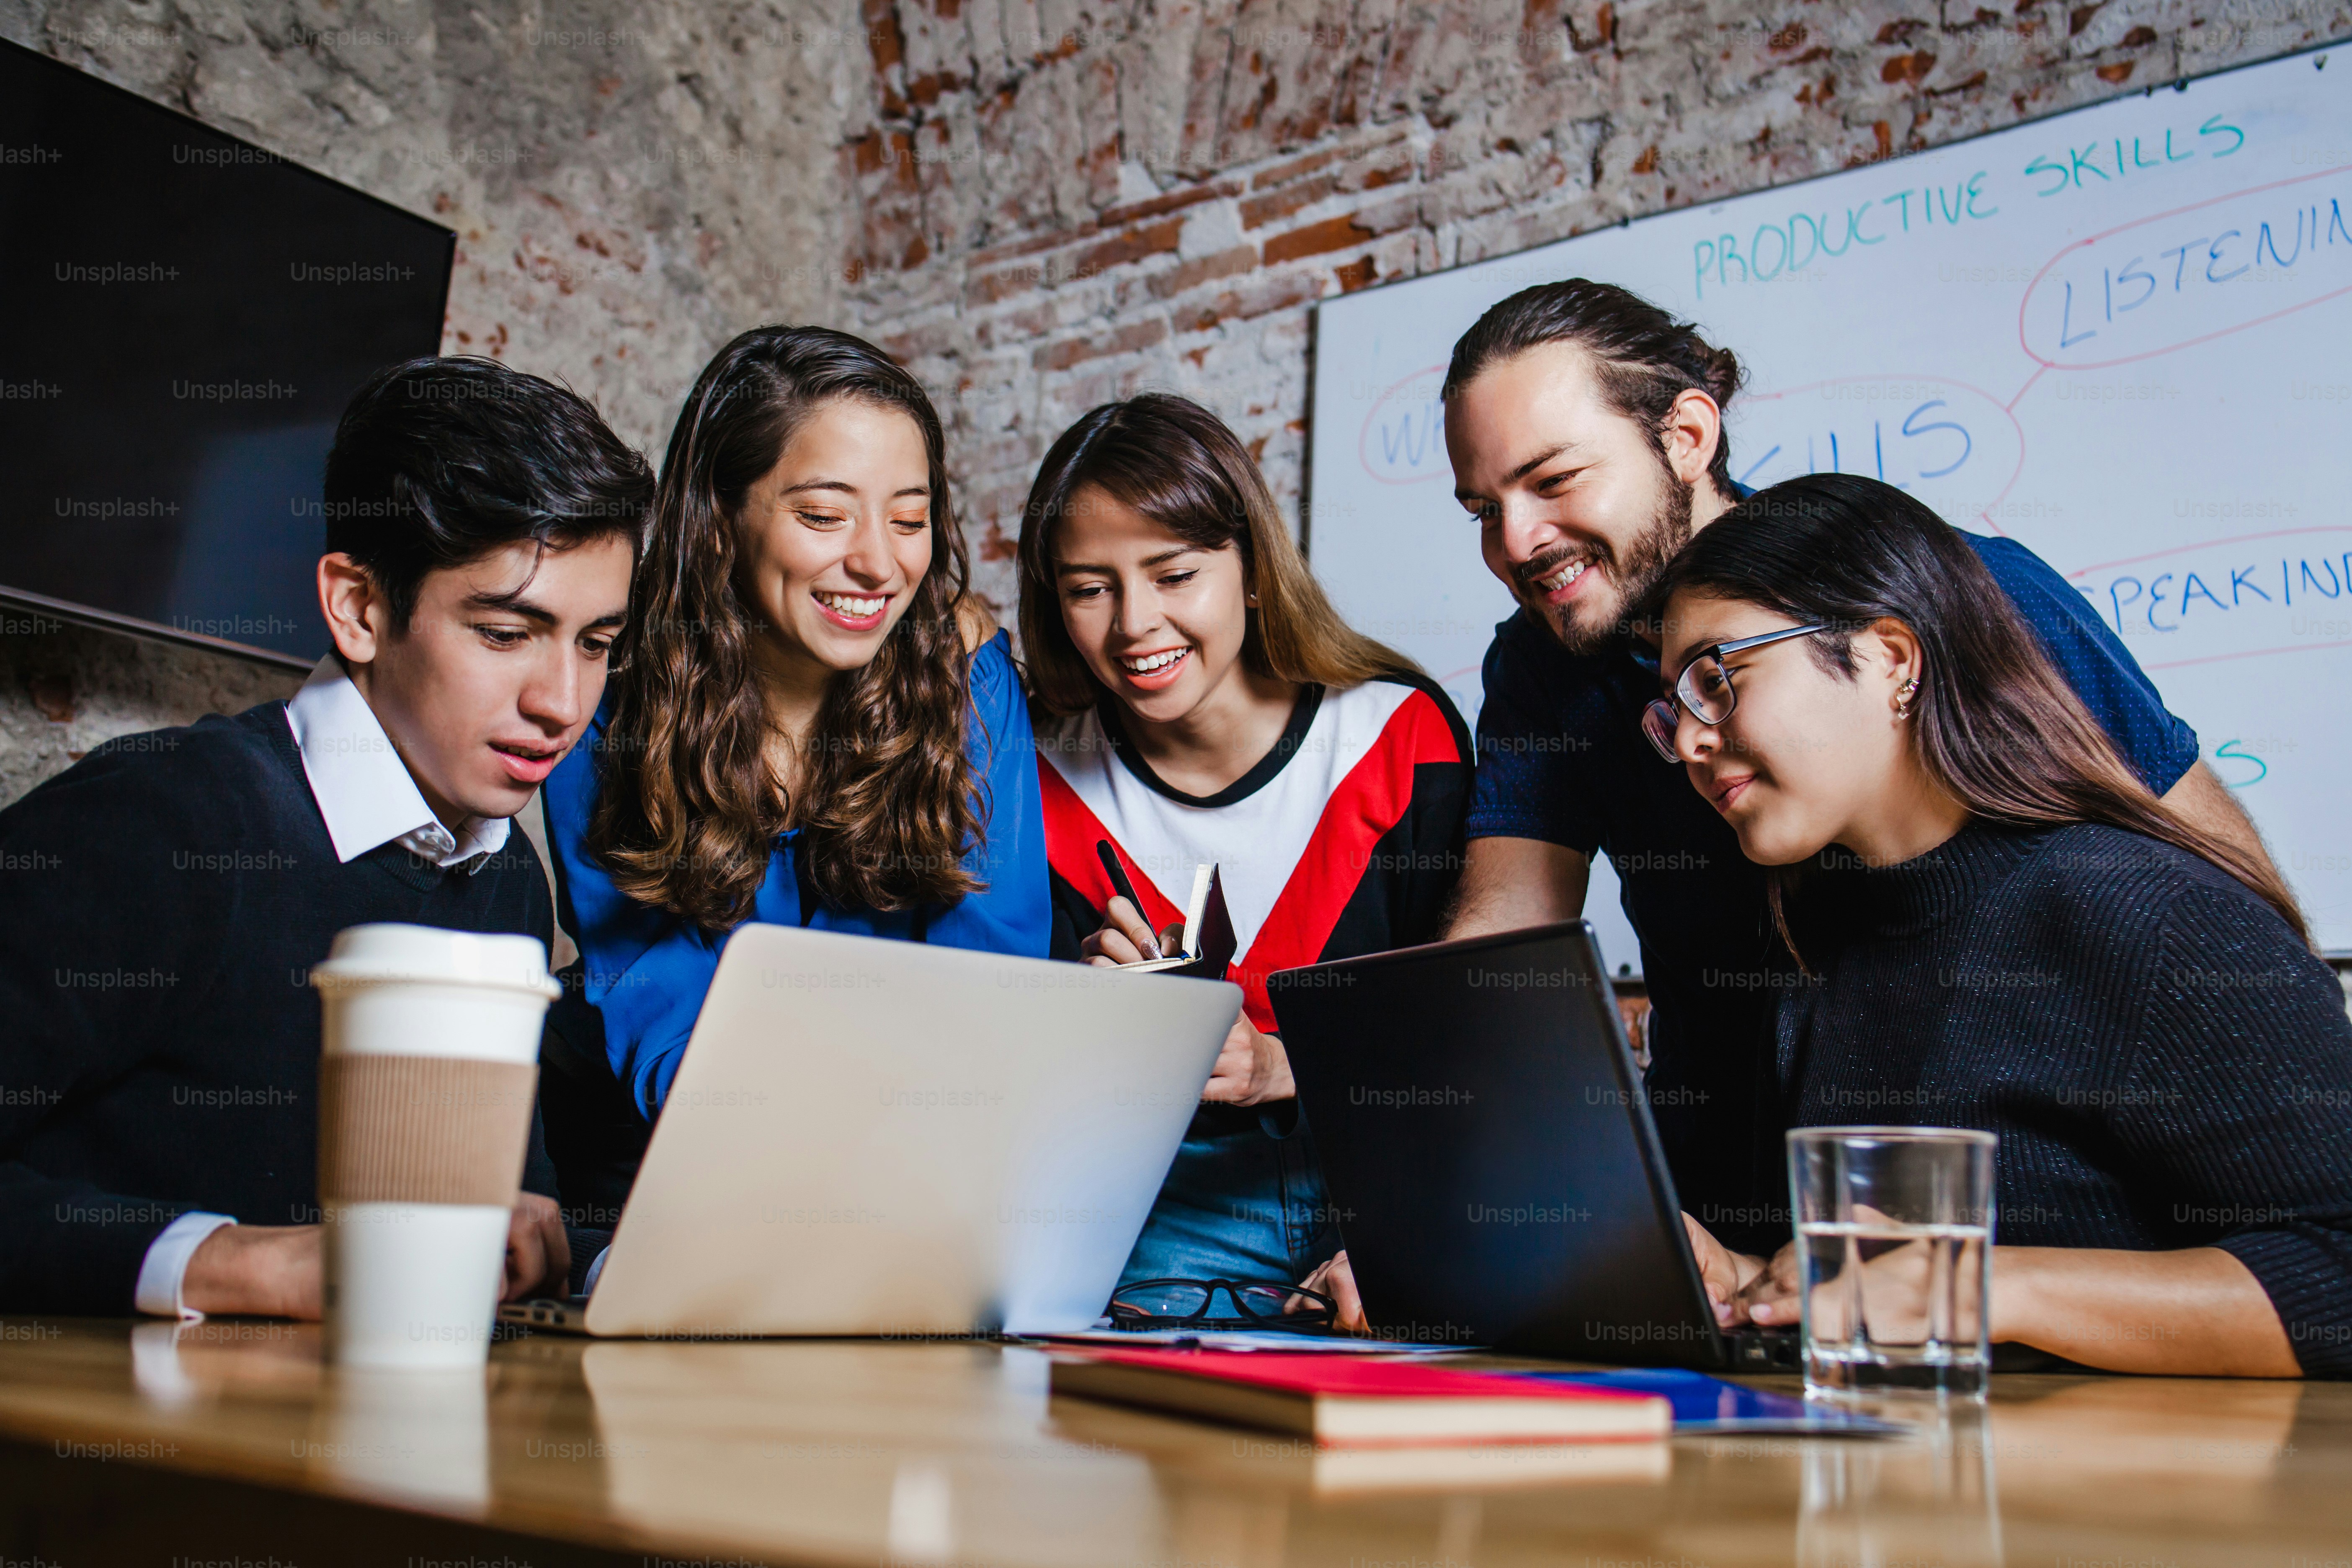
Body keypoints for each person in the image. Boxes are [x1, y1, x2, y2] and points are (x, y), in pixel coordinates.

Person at [1434, 279, 2279, 1253]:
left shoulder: (1963, 589)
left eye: (1554, 480)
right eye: (1481, 511)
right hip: (1733, 1211)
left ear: (1687, 436)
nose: (1516, 543)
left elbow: (2213, 890)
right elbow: (1502, 939)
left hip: (2010, 1212)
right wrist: (1455, 1210)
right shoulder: (1547, 663)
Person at [1642, 474, 2352, 1378]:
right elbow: (1902, 1301)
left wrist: (1983, 1289)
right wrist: (1756, 1286)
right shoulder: (1821, 939)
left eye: (1717, 678)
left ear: (1890, 658)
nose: (1693, 741)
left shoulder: (2145, 914)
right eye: (1674, 712)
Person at [0, 356, 651, 1317]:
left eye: (596, 645)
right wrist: (238, 1264)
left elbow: (502, 1225)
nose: (563, 704)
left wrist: (611, 1258)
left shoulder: (506, 873)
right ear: (358, 607)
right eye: (507, 634)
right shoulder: (167, 817)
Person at [541, 326, 1048, 1210]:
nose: (879, 564)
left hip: (925, 1162)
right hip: (690, 1160)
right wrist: (789, 1151)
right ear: (719, 518)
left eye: (909, 518)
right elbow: (657, 995)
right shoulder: (605, 697)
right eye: (823, 515)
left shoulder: (972, 680)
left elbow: (994, 978)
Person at [1019, 393, 1473, 1292]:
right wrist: (1084, 1015)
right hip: (1164, 1207)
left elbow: (1462, 1035)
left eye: (1175, 574)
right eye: (1088, 589)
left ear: (1253, 567)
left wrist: (1278, 1065)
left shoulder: (1397, 738)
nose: (1134, 623)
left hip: (1390, 1176)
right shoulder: (1034, 778)